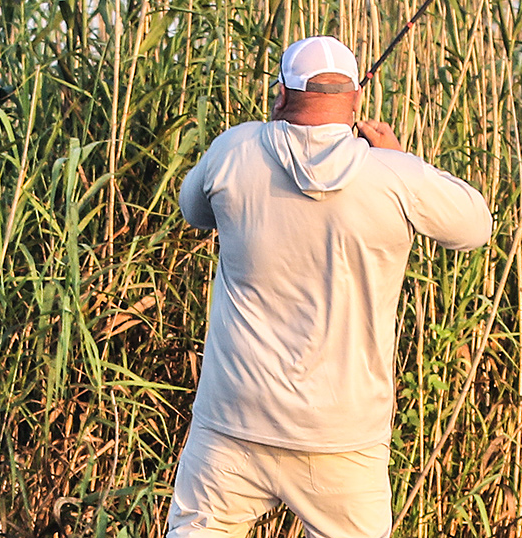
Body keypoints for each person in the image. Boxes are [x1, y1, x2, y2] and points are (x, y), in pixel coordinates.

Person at [169, 35, 492, 538]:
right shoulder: (393, 175)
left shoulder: (234, 149)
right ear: (356, 99)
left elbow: (193, 209)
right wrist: (401, 159)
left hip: (232, 424)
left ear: (281, 94)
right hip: (342, 435)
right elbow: (476, 226)